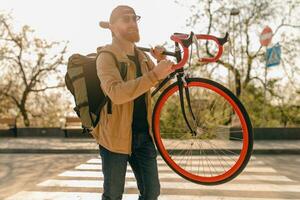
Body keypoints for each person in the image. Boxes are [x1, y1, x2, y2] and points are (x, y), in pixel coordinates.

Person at [91, 5, 174, 200]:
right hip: (114, 138)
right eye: (125, 19)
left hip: (143, 136)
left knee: (151, 192)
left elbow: (158, 83)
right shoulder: (106, 56)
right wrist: (154, 74)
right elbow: (116, 94)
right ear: (112, 27)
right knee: (113, 195)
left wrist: (161, 61)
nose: (132, 22)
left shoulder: (143, 57)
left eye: (134, 18)